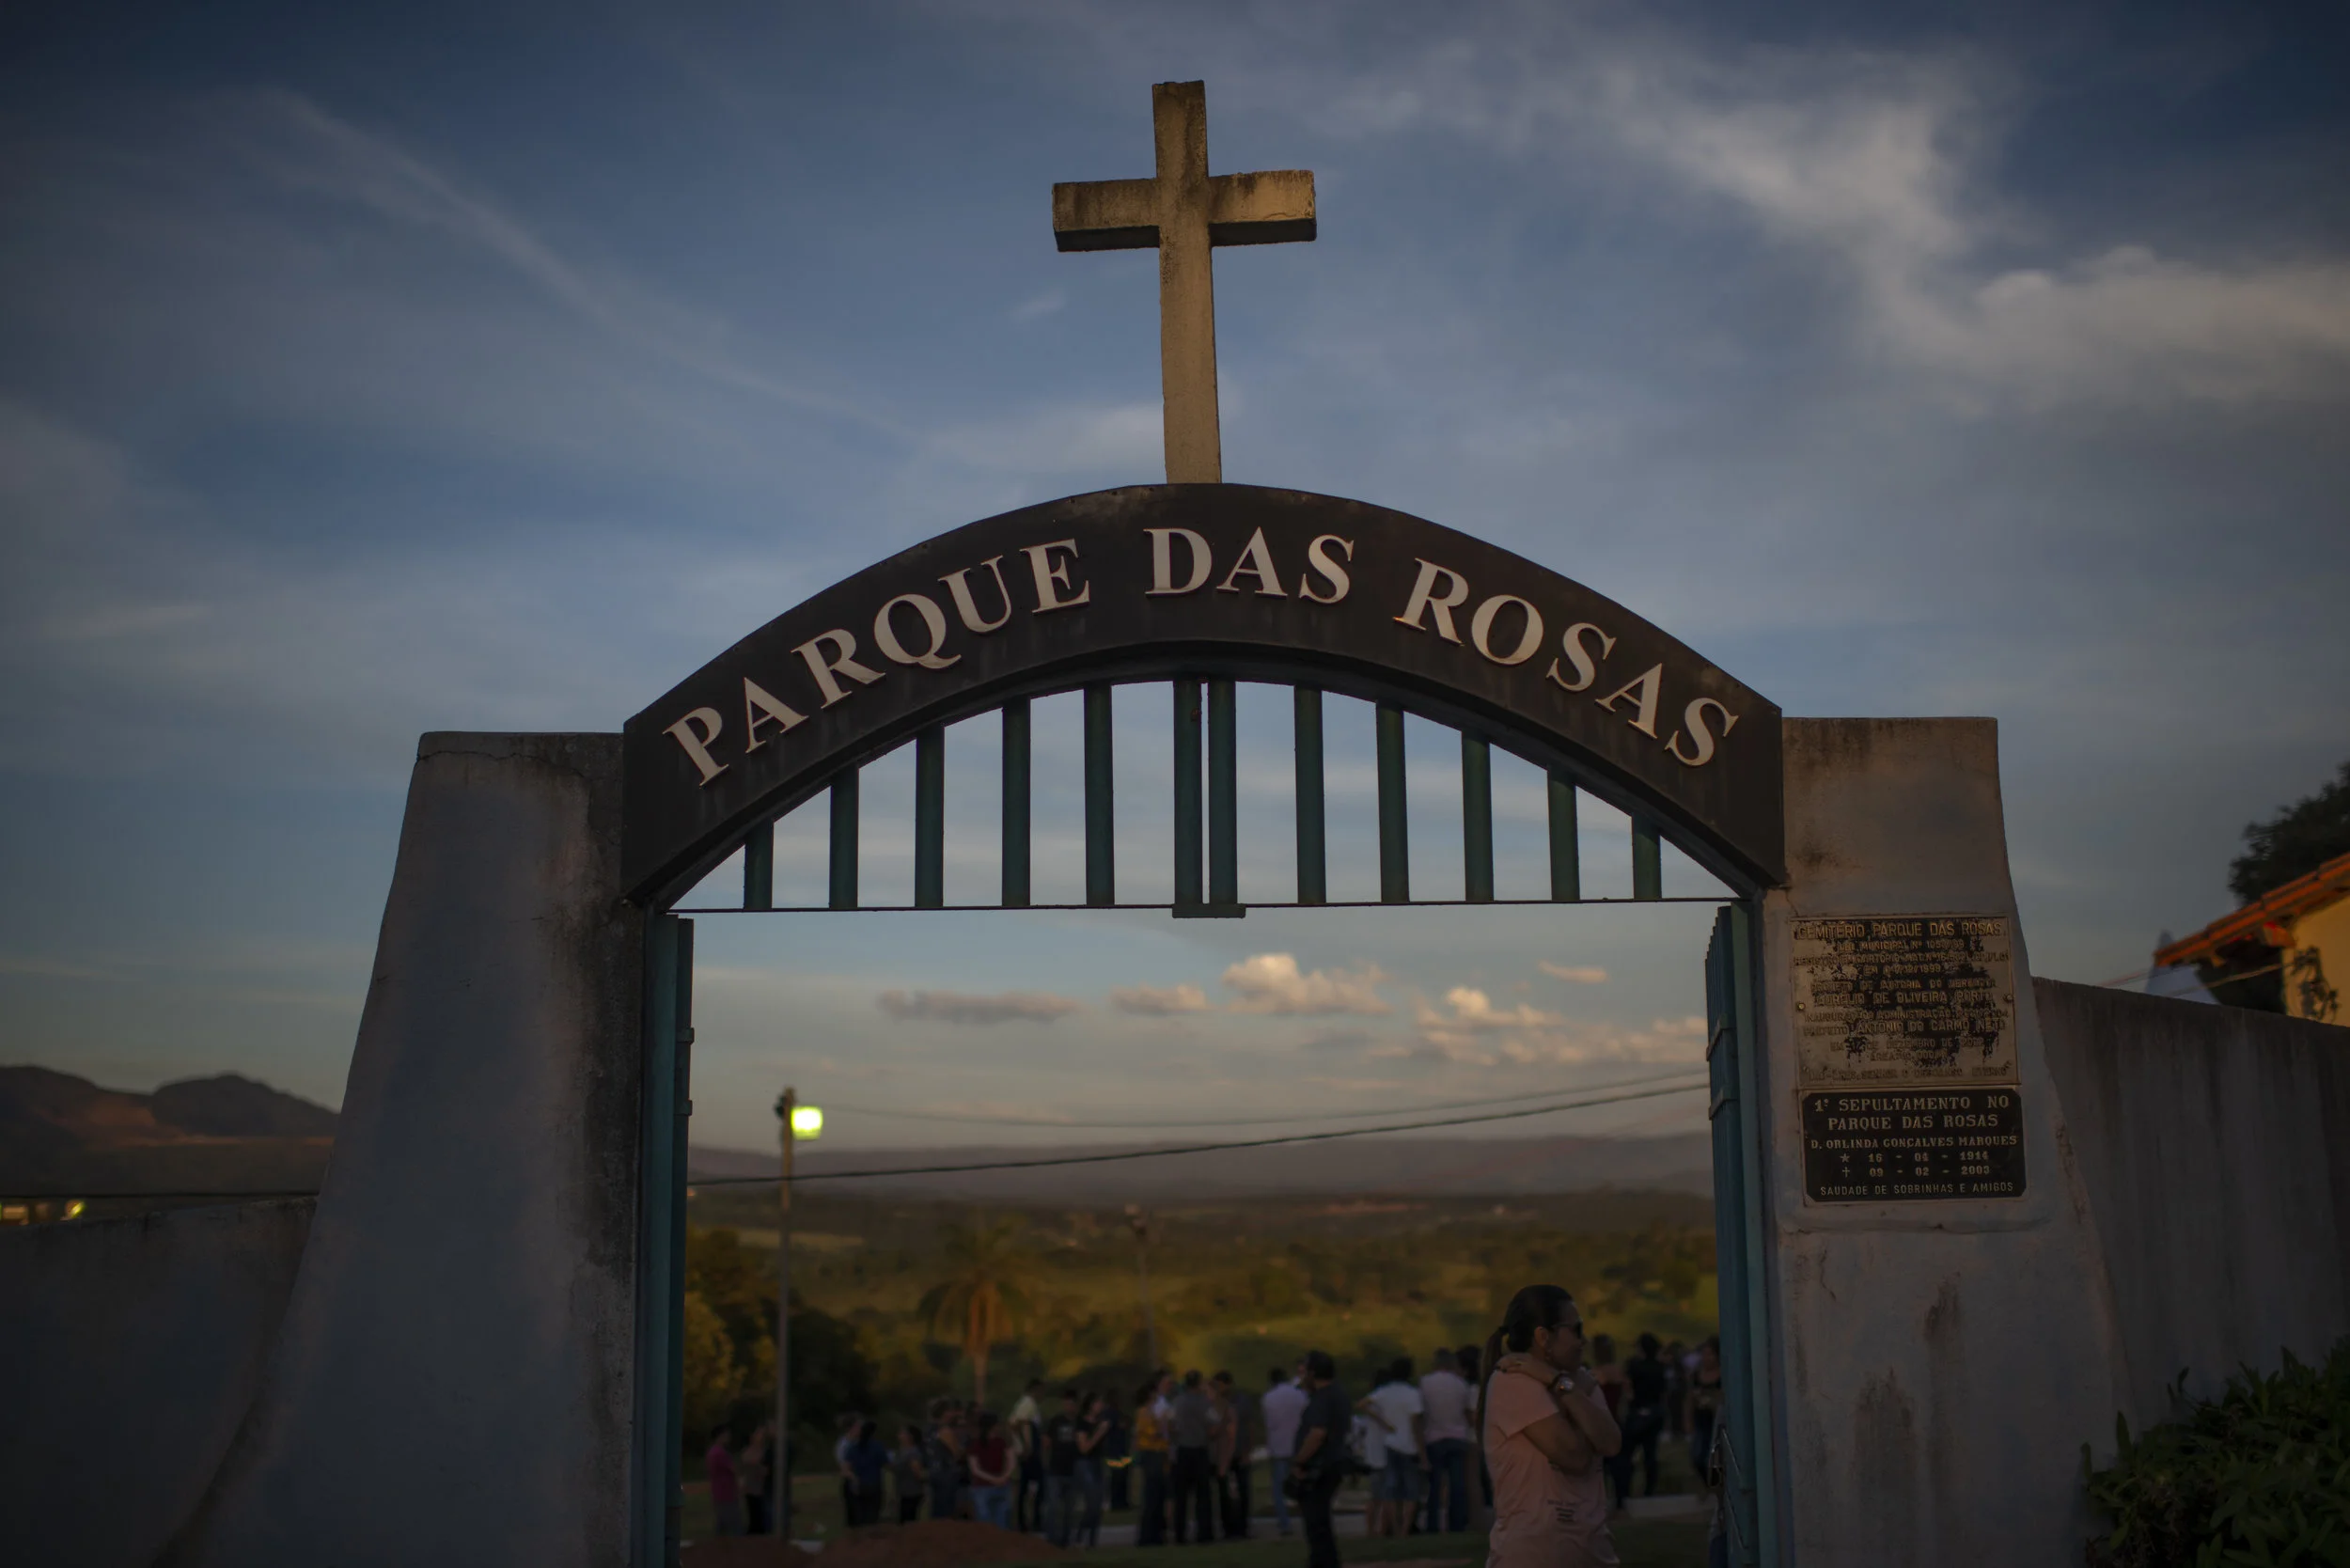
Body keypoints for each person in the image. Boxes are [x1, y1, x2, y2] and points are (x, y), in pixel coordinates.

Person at [1481, 1284, 1622, 1568]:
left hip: (1593, 1553)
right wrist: (1568, 1388)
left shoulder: (1575, 1381)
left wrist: (1559, 1382)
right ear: (1543, 1336)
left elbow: (1611, 1443)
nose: (1584, 1341)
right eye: (1576, 1330)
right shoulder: (1513, 1380)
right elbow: (1575, 1457)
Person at [1290, 1350, 1350, 1568]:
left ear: (1314, 1372)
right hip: (1330, 1464)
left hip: (1319, 1466)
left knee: (1316, 1521)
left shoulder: (1323, 1398)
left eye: (1304, 1369)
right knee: (1320, 1520)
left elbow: (1317, 1433)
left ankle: (1323, 1562)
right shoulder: (1337, 1393)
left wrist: (1299, 1461)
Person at [1361, 1356, 1427, 1536]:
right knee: (1410, 1491)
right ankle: (1405, 1528)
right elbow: (1416, 1425)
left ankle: (1393, 1527)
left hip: (1390, 1444)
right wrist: (1423, 1454)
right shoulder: (1412, 1394)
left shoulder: (1384, 1392)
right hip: (1408, 1446)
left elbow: (1363, 1404)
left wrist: (1383, 1422)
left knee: (1390, 1489)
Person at [1420, 1347, 1474, 1533]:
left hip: (1434, 1437)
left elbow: (1421, 1414)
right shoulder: (1461, 1384)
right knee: (1457, 1485)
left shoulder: (1425, 1383)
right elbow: (1468, 1414)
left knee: (1434, 1486)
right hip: (1458, 1437)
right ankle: (1456, 1524)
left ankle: (1432, 1525)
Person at [1168, 1368, 1221, 1543]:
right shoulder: (1205, 1403)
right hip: (1200, 1450)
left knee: (1181, 1496)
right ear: (1199, 1384)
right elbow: (1214, 1426)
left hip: (1182, 1451)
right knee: (1203, 1496)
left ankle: (1180, 1534)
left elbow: (1170, 1424)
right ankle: (1204, 1533)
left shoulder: (1178, 1402)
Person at [1262, 1364, 1308, 1537]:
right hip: (1298, 1446)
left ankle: (1285, 1523)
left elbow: (1270, 1424)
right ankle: (1306, 1520)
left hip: (1278, 1446)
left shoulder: (1268, 1398)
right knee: (1301, 1485)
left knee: (1278, 1488)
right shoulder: (1299, 1395)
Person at [1211, 1370, 1256, 1539]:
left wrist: (1248, 1450)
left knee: (1243, 1492)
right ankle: (1228, 1527)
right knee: (1225, 1493)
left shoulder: (1240, 1402)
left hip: (1239, 1452)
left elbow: (1250, 1427)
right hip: (1223, 1455)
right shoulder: (1216, 1403)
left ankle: (1242, 1527)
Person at [1622, 1333, 1668, 1497]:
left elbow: (1628, 1389)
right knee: (1650, 1454)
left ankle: (1625, 1489)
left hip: (1637, 1412)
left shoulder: (1634, 1365)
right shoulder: (1660, 1367)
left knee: (1626, 1453)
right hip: (1654, 1413)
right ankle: (1649, 1489)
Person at [1590, 1335, 1631, 1512]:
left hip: (1601, 1423)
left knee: (1600, 1466)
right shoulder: (1619, 1372)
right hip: (1617, 1421)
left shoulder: (1595, 1373)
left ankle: (1601, 1503)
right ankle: (1620, 1502)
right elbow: (1628, 1396)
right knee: (1619, 1465)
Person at [1131, 1379, 1170, 1546]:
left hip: (1159, 1454)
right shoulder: (1144, 1413)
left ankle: (1157, 1533)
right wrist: (1162, 1425)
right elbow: (1152, 1433)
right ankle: (1148, 1535)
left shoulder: (1151, 1413)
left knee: (1158, 1495)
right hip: (1151, 1454)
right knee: (1152, 1496)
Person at [1042, 1388, 1082, 1546]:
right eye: (1067, 1404)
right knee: (1052, 1506)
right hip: (1055, 1469)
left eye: (1072, 1404)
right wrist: (1045, 1461)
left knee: (1069, 1509)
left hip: (1073, 1470)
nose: (1069, 1407)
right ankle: (1051, 1538)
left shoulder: (1079, 1422)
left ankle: (1065, 1540)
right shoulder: (1056, 1421)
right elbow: (1046, 1441)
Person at [1075, 1392, 1114, 1548]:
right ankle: (1080, 1534)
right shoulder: (1082, 1423)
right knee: (1092, 1504)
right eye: (1098, 1403)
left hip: (1098, 1463)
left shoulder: (1101, 1421)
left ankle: (1092, 1541)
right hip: (1086, 1464)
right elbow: (1084, 1448)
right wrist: (1099, 1432)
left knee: (1098, 1505)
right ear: (1090, 1405)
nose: (1101, 1406)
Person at [1010, 1379, 1047, 1532]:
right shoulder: (1028, 1403)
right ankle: (1031, 1520)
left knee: (1027, 1487)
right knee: (1038, 1486)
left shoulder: (1026, 1404)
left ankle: (1025, 1520)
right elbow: (1020, 1424)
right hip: (1029, 1452)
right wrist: (1027, 1446)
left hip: (1027, 1451)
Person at [967, 1412, 1016, 1528]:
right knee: (986, 1522)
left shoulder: (1001, 1442)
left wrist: (1002, 1477)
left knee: (1000, 1520)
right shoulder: (976, 1444)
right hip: (986, 1486)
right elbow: (975, 1469)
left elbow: (1011, 1461)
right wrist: (1001, 1478)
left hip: (992, 1485)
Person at [1687, 1337, 1724, 1477]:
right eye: (1704, 1354)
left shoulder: (1722, 1375)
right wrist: (1688, 1421)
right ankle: (1707, 1485)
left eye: (1710, 1354)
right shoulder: (1697, 1375)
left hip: (1715, 1420)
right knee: (1697, 1456)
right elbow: (1689, 1399)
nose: (1706, 1358)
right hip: (1700, 1421)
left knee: (1712, 1457)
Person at [844, 1419, 889, 1527]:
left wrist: (854, 1478)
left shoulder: (853, 1448)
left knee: (859, 1517)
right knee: (872, 1517)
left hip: (858, 1486)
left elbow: (846, 1469)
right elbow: (887, 1464)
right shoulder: (878, 1447)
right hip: (874, 1485)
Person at [924, 1399, 964, 1521]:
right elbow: (957, 1453)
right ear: (944, 1412)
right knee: (946, 1510)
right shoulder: (945, 1431)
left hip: (933, 1472)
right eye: (950, 1411)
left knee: (936, 1508)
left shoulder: (929, 1429)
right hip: (946, 1473)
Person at [707, 1427, 745, 1537]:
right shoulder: (720, 1453)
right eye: (726, 1434)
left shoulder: (713, 1452)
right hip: (726, 1492)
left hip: (719, 1491)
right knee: (735, 1525)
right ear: (720, 1436)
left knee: (722, 1524)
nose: (728, 1437)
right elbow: (734, 1469)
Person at [740, 1423, 773, 1535]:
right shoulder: (748, 1451)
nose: (761, 1436)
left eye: (762, 1434)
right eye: (758, 1434)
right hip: (751, 1489)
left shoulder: (765, 1451)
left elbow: (766, 1470)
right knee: (754, 1518)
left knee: (761, 1519)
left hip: (761, 1489)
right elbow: (746, 1462)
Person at [892, 1425, 928, 1523]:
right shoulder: (902, 1451)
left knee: (908, 1521)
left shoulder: (913, 1453)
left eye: (902, 1433)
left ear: (909, 1436)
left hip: (911, 1493)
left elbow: (918, 1472)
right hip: (904, 1492)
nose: (899, 1435)